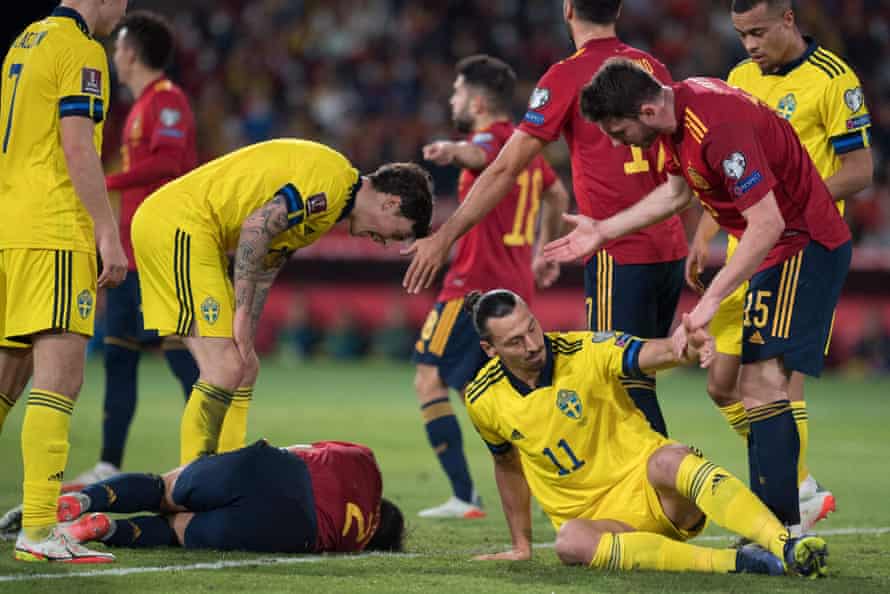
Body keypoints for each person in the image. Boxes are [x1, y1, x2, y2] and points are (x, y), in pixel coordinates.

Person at [543, 59, 851, 538]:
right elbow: (675, 196)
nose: (615, 141)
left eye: (618, 129)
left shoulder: (716, 125)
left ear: (647, 108)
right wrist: (602, 230)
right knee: (744, 387)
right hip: (775, 251)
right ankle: (782, 523)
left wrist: (707, 304)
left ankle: (785, 528)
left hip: (803, 244)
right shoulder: (674, 118)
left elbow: (767, 223)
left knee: (764, 382)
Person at [403, 1, 689, 439]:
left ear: (568, 9)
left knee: (618, 385)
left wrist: (445, 236)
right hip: (668, 246)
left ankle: (667, 494)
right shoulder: (652, 66)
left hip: (618, 251)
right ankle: (655, 493)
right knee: (636, 376)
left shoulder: (567, 76)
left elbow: (503, 168)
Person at [463, 289, 827, 577]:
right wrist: (521, 543)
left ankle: (785, 545)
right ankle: (740, 564)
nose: (531, 344)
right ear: (490, 350)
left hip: (657, 491)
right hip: (601, 523)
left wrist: (683, 348)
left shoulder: (584, 350)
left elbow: (653, 352)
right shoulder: (483, 399)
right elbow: (507, 464)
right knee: (569, 543)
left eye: (532, 328)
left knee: (670, 458)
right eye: (515, 341)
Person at [685, 0, 873, 532]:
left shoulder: (834, 80)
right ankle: (800, 482)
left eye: (759, 33)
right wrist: (703, 235)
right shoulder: (740, 76)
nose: (749, 46)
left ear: (789, 21)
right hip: (744, 250)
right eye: (742, 34)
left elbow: (859, 171)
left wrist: (793, 200)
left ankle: (791, 501)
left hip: (800, 247)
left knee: (776, 380)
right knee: (721, 385)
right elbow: (722, 164)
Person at [131, 140, 434, 465]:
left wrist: (246, 328)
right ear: (390, 203)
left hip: (195, 232)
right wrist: (243, 313)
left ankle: (228, 468)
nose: (387, 243)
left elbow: (267, 260)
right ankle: (192, 485)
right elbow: (256, 229)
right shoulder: (332, 182)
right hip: (180, 224)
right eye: (398, 234)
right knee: (224, 368)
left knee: (245, 366)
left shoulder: (332, 207)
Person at [0, 0, 129, 563]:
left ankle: (34, 525)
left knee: (6, 380)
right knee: (61, 379)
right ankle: (37, 529)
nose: (123, 10)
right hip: (54, 229)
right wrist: (107, 231)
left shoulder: (25, 42)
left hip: (11, 228)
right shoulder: (82, 50)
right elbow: (77, 144)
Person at [412, 55, 569, 519]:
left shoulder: (491, 140)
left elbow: (478, 154)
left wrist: (450, 150)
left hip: (470, 288)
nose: (451, 99)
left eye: (457, 92)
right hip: (516, 287)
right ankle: (560, 480)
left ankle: (464, 495)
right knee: (490, 392)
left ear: (478, 100)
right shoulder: (528, 149)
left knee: (428, 378)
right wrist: (543, 251)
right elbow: (557, 194)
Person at [68, 10, 201, 489]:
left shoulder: (168, 101)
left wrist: (105, 180)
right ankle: (108, 462)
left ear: (130, 52)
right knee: (120, 354)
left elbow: (169, 162)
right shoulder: (144, 104)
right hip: (131, 246)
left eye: (118, 46)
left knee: (181, 353)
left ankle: (208, 457)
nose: (114, 55)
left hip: (159, 250)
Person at [2, 440, 404, 554]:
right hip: (294, 525)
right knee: (177, 530)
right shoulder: (358, 540)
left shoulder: (365, 460)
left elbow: (304, 446)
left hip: (275, 467)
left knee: (163, 489)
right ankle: (104, 530)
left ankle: (88, 499)